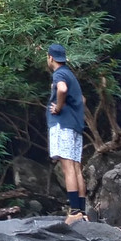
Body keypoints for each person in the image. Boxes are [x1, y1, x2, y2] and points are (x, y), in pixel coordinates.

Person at [46, 42, 87, 224]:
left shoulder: (59, 73)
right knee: (76, 167)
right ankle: (82, 211)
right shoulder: (71, 74)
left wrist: (59, 107)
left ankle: (75, 211)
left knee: (67, 166)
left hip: (63, 126)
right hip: (75, 125)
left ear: (51, 58)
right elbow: (82, 99)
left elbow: (62, 89)